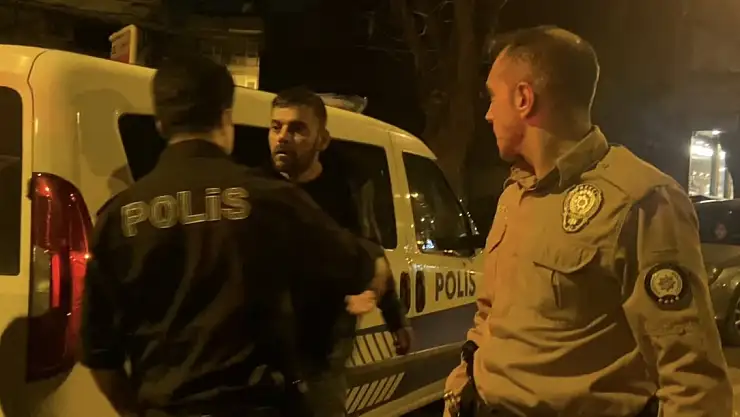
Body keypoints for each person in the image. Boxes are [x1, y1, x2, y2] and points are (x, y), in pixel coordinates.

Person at [79, 54, 392, 417]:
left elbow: (98, 353)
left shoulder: (117, 218)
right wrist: (376, 277)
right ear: (225, 117)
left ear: (161, 123)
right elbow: (360, 264)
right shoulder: (272, 200)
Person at [443, 26, 733, 417]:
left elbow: (692, 377)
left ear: (524, 98)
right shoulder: (516, 192)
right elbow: (490, 316)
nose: (488, 114)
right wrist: (464, 380)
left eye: (494, 98)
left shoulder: (640, 200)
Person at [263, 86, 412, 416]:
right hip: (264, 355)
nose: (282, 137)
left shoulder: (346, 192)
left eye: (297, 129)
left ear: (323, 140)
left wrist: (394, 318)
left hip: (322, 352)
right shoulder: (257, 189)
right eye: (276, 127)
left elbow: (371, 254)